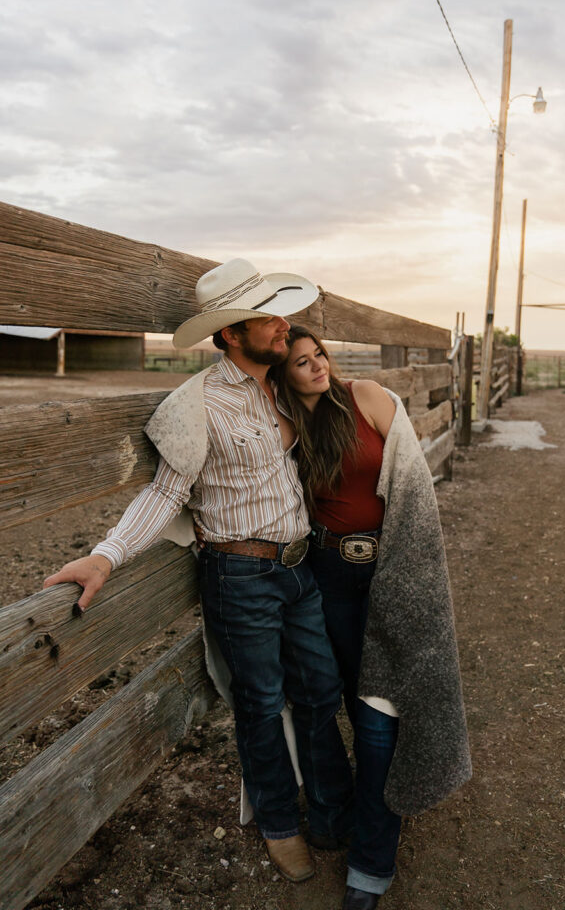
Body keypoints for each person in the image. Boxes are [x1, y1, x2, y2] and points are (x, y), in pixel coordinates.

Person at [43, 259, 354, 884]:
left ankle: (333, 814)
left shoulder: (284, 387)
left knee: (322, 691)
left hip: (300, 569)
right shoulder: (199, 404)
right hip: (240, 575)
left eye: (278, 310)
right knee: (261, 703)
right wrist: (107, 553)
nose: (282, 323)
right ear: (230, 335)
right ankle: (278, 825)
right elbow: (165, 492)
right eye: (264, 317)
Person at [271, 326, 472, 910]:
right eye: (302, 363)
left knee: (381, 713)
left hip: (391, 571)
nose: (316, 368)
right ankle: (346, 807)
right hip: (326, 576)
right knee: (329, 701)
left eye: (319, 356)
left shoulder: (370, 398)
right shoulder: (287, 427)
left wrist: (405, 570)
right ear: (284, 375)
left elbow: (411, 486)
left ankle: (371, 862)